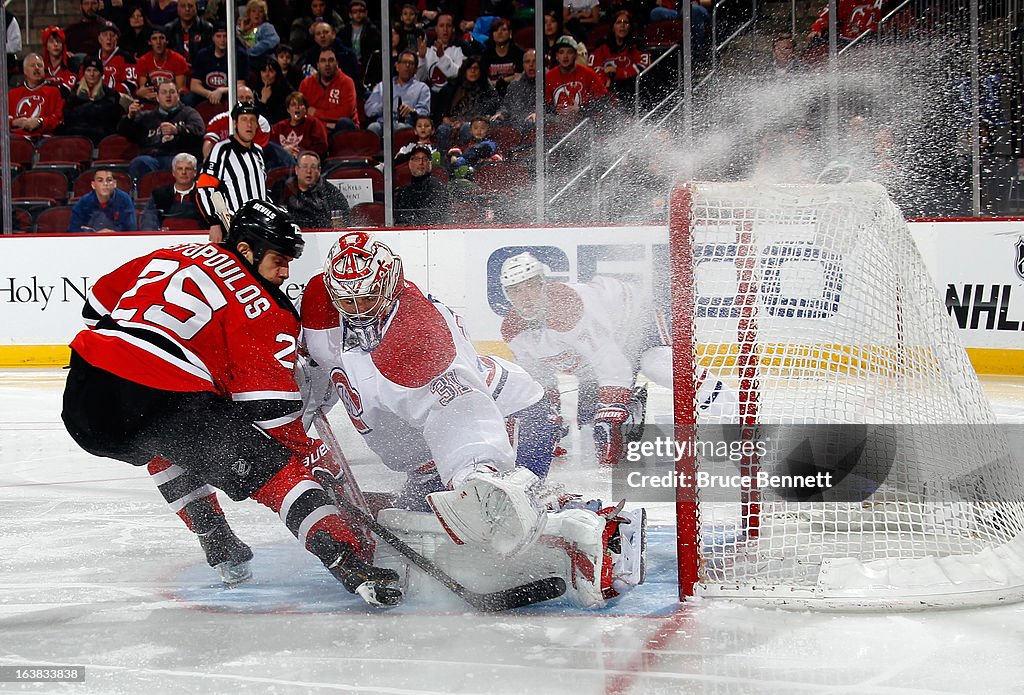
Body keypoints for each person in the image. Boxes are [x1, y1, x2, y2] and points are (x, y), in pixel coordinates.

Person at [61, 201, 401, 607]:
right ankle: (348, 561)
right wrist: (307, 464)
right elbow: (271, 412)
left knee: (165, 434)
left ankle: (216, 539)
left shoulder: (174, 252)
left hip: (86, 394)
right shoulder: (264, 307)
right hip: (164, 395)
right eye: (278, 260)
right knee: (274, 473)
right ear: (245, 250)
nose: (285, 272)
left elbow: (93, 307)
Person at [299, 233, 646, 608]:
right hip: (433, 448)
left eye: (366, 298)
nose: (357, 310)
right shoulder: (325, 308)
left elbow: (464, 415)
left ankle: (603, 528)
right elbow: (322, 371)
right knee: (425, 508)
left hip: (515, 413)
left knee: (498, 507)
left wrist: (472, 476)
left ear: (391, 283)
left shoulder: (421, 337)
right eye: (346, 300)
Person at [498, 251, 738, 466]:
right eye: (516, 290)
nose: (525, 297)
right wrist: (547, 415)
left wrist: (612, 408)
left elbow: (613, 366)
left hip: (637, 320)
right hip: (599, 351)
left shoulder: (569, 308)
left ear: (543, 284)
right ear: (507, 295)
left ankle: (728, 407)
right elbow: (539, 379)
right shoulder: (512, 329)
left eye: (530, 286)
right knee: (589, 421)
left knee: (656, 364)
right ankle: (633, 405)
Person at [197, 101, 268, 242]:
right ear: (235, 123)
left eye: (253, 120)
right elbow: (204, 188)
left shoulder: (258, 152)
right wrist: (214, 222)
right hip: (234, 228)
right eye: (244, 119)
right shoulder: (222, 150)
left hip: (259, 228)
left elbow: (261, 191)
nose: (249, 124)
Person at [120, 81, 204, 182]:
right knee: (139, 162)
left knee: (183, 164)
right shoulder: (147, 117)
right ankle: (141, 195)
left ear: (178, 96)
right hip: (153, 158)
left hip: (178, 156)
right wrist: (130, 117)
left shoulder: (189, 113)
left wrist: (177, 130)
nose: (168, 95)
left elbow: (199, 129)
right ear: (157, 97)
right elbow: (122, 131)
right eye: (164, 92)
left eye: (172, 92)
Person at [432, 56, 500, 150]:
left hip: (475, 124)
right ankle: (443, 159)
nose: (472, 71)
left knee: (465, 128)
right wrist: (446, 119)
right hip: (453, 122)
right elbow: (441, 112)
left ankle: (465, 157)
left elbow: (488, 112)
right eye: (469, 68)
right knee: (442, 129)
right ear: (464, 70)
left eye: (476, 68)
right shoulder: (453, 87)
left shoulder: (487, 90)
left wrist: (465, 122)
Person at [273, 150, 350, 228]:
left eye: (313, 167)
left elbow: (343, 225)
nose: (308, 171)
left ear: (319, 171)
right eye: (304, 166)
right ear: (297, 170)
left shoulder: (331, 193)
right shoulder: (281, 189)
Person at [364, 49, 431, 137]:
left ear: (416, 69)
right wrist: (383, 107)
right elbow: (368, 109)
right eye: (404, 62)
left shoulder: (422, 88)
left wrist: (412, 111)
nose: (407, 65)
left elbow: (425, 112)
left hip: (406, 124)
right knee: (372, 127)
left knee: (400, 128)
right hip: (383, 123)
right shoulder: (383, 86)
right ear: (397, 66)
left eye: (411, 63)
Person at [60, 55, 125, 143]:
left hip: (101, 137)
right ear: (84, 73)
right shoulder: (74, 94)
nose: (92, 74)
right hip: (77, 137)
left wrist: (85, 109)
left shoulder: (110, 94)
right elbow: (68, 116)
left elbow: (110, 115)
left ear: (100, 73)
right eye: (88, 70)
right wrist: (93, 108)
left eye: (95, 70)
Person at [544, 35, 608, 123]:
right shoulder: (549, 76)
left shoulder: (589, 74)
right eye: (561, 52)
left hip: (584, 124)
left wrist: (581, 110)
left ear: (575, 55)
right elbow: (547, 106)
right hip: (557, 125)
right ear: (556, 56)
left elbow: (603, 102)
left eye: (569, 52)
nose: (565, 56)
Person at [590, 11, 647, 109]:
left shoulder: (637, 45)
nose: (622, 25)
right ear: (613, 27)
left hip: (632, 89)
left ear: (630, 27)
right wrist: (606, 78)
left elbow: (642, 67)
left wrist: (617, 72)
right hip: (607, 91)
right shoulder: (602, 46)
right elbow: (593, 70)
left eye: (626, 22)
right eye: (618, 22)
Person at [297, 46, 360, 132]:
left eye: (331, 60)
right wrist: (325, 125)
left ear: (337, 63)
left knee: (343, 122)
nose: (327, 64)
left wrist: (315, 113)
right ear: (318, 65)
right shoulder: (306, 84)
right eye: (323, 60)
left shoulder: (347, 83)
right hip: (316, 129)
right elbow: (300, 112)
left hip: (342, 131)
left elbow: (345, 114)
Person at [187, 23, 250, 107]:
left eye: (225, 36)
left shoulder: (239, 55)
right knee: (188, 99)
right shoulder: (203, 55)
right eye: (218, 36)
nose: (222, 40)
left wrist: (221, 91)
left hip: (229, 93)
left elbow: (240, 85)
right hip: (207, 93)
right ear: (213, 38)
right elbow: (194, 85)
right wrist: (210, 94)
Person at [139, 152, 204, 230]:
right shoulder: (159, 194)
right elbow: (148, 221)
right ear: (173, 173)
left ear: (195, 172)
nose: (183, 173)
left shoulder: (204, 194)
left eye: (188, 169)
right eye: (180, 169)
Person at [7, 53, 65, 140]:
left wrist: (40, 121)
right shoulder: (12, 94)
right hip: (18, 139)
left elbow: (58, 119)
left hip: (44, 140)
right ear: (25, 70)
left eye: (40, 65)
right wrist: (14, 123)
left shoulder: (54, 92)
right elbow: (3, 121)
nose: (37, 68)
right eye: (32, 65)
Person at [394, 144, 450, 225]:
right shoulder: (403, 192)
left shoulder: (438, 189)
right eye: (417, 159)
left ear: (430, 163)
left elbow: (436, 219)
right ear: (410, 163)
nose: (421, 163)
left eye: (425, 159)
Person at [67, 168, 137, 233]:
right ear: (93, 185)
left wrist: (112, 233)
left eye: (109, 180)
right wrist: (95, 234)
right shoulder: (84, 202)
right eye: (100, 180)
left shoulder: (124, 200)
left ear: (115, 184)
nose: (105, 184)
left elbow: (130, 228)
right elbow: (73, 229)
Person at [134, 26, 190, 102]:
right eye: (154, 38)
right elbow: (144, 89)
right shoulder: (143, 60)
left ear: (167, 41)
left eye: (162, 38)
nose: (158, 42)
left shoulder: (178, 59)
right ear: (149, 42)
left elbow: (180, 89)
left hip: (173, 97)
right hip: (153, 97)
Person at [270, 91, 330, 160]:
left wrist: (302, 153)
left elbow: (322, 148)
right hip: (282, 162)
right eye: (293, 105)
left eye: (301, 104)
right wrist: (283, 151)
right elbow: (271, 149)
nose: (297, 107)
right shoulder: (279, 127)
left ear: (305, 109)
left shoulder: (314, 123)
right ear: (288, 110)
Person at [415, 12, 464, 97]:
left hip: (451, 97)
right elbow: (418, 79)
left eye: (448, 26)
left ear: (453, 29)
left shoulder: (459, 50)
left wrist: (442, 56)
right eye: (441, 26)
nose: (445, 29)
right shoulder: (425, 50)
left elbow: (457, 75)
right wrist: (421, 58)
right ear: (436, 29)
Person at [494, 47, 537, 131]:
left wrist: (539, 114)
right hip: (516, 125)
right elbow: (506, 106)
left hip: (538, 124)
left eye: (535, 61)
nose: (531, 65)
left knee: (530, 123)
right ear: (523, 65)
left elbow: (550, 109)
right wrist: (501, 114)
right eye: (527, 62)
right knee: (495, 122)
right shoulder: (515, 84)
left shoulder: (548, 81)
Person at [95, 20, 139, 100]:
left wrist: (103, 88)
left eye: (112, 35)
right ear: (99, 39)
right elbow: (83, 84)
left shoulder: (127, 58)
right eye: (105, 35)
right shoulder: (91, 58)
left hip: (118, 101)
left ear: (117, 38)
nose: (109, 38)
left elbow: (130, 86)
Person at [481, 18, 523, 99]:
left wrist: (502, 81)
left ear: (510, 33)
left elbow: (519, 77)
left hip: (515, 95)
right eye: (496, 30)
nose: (499, 33)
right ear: (492, 34)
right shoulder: (486, 55)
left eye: (503, 29)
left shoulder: (518, 53)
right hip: (491, 96)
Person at [338, 0, 380, 79]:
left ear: (366, 13)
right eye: (355, 11)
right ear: (350, 14)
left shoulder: (372, 30)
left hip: (366, 66)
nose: (358, 14)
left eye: (361, 11)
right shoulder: (344, 31)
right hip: (348, 65)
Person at [249, 54, 292, 124]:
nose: (267, 75)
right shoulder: (255, 89)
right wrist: (263, 101)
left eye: (271, 71)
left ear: (277, 73)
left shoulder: (286, 92)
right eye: (264, 71)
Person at [41, 26, 77, 93]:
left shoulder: (72, 64)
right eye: (51, 42)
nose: (56, 44)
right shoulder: (40, 66)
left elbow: (66, 90)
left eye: (58, 41)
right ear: (46, 46)